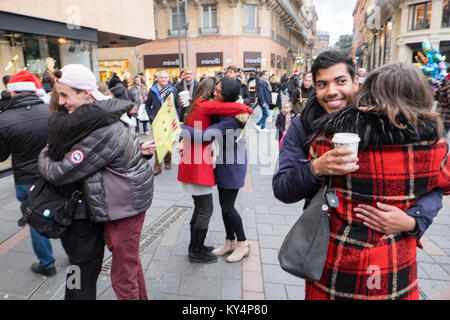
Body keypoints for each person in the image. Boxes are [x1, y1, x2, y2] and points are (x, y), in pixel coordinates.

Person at [273, 50, 444, 287]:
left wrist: (413, 221)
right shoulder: (305, 126)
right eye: (322, 84)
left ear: (356, 82)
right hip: (327, 245)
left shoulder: (392, 121)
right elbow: (282, 188)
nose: (332, 91)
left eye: (340, 81)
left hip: (390, 256)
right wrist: (316, 168)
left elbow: (434, 187)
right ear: (314, 86)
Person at [38, 64, 154, 300]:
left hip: (96, 214)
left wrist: (43, 156)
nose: (61, 102)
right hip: (93, 212)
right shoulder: (92, 119)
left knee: (103, 274)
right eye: (59, 95)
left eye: (65, 95)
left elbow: (62, 171)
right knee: (102, 269)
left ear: (86, 94)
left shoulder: (95, 127)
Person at [178, 77, 252, 263]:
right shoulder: (220, 110)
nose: (215, 93)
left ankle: (242, 244)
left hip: (232, 165)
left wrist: (180, 128)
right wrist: (191, 104)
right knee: (224, 207)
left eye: (219, 91)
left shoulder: (233, 120)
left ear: (227, 94)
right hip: (220, 163)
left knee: (228, 207)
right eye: (215, 90)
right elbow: (206, 108)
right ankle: (230, 242)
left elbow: (205, 136)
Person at [0, 71, 56, 276]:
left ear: (12, 92)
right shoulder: (51, 111)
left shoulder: (4, 119)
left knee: (34, 219)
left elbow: (1, 155)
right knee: (65, 211)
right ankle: (74, 255)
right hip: (53, 173)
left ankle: (47, 264)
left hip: (25, 178)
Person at [145, 70, 181, 175]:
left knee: (168, 141)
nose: (164, 80)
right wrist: (151, 117)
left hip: (169, 120)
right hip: (157, 120)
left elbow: (178, 105)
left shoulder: (173, 90)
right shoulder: (152, 90)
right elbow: (147, 105)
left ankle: (167, 161)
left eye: (166, 77)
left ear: (168, 79)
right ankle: (157, 166)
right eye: (161, 78)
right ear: (157, 79)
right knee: (158, 142)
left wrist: (176, 117)